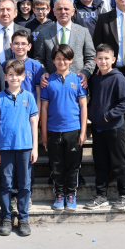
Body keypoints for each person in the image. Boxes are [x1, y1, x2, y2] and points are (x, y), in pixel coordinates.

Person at [0, 59, 39, 237]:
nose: (14, 78)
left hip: (25, 147)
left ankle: (23, 218)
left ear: (23, 76)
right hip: (5, 148)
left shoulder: (29, 97)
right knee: (5, 184)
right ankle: (6, 217)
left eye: (18, 75)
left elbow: (34, 123)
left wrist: (35, 148)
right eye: (10, 75)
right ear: (5, 77)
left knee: (25, 184)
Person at [40, 44, 88, 212]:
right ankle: (59, 194)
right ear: (53, 61)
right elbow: (44, 108)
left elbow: (83, 106)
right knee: (56, 165)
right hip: (53, 130)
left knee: (73, 165)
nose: (61, 62)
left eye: (65, 59)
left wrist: (83, 131)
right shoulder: (48, 81)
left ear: (71, 60)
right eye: (58, 59)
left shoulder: (78, 80)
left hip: (73, 130)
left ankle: (71, 194)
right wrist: (43, 133)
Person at [85, 44, 125, 211]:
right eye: (100, 58)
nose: (103, 61)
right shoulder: (94, 79)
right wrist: (92, 115)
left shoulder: (118, 78)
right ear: (95, 60)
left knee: (119, 162)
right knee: (100, 163)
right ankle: (101, 196)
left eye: (106, 58)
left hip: (114, 128)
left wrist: (108, 115)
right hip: (98, 128)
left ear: (113, 59)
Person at [33, 0, 96, 89]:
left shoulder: (83, 32)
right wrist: (43, 72)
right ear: (54, 12)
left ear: (73, 11)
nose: (63, 12)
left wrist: (85, 73)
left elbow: (91, 57)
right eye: (59, 9)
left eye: (66, 9)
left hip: (77, 84)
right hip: (51, 85)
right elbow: (38, 58)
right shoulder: (43, 33)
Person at [6, 29, 44, 103]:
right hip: (10, 104)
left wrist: (38, 109)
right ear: (11, 46)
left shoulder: (36, 65)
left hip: (30, 106)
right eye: (16, 43)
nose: (20, 47)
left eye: (23, 44)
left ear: (29, 46)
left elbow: (38, 93)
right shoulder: (6, 64)